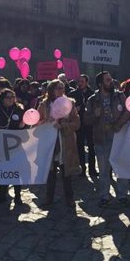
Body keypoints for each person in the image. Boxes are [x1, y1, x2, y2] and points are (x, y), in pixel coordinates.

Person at [85, 72, 130, 208]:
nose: (111, 82)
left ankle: (122, 195)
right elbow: (86, 120)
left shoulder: (119, 95)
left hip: (118, 138)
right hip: (101, 139)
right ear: (100, 83)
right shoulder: (92, 100)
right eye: (107, 80)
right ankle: (104, 196)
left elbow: (128, 111)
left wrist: (118, 124)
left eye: (111, 79)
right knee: (104, 170)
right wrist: (95, 114)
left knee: (121, 168)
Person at [39, 80, 80, 210]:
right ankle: (48, 197)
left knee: (66, 173)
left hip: (65, 143)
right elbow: (36, 122)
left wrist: (63, 126)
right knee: (50, 173)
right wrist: (44, 121)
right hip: (49, 143)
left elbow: (77, 123)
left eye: (63, 88)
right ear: (51, 90)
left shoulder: (70, 103)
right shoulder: (44, 105)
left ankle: (70, 198)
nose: (61, 90)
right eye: (58, 88)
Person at [0, 89, 27, 208]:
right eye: (8, 97)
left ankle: (17, 196)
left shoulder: (19, 110)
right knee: (4, 169)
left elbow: (27, 126)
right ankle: (2, 194)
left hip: (16, 145)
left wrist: (23, 125)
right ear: (2, 99)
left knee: (16, 171)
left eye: (12, 97)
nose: (10, 99)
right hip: (1, 145)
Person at [70, 74, 97, 179]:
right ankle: (82, 169)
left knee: (91, 147)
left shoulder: (93, 94)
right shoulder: (73, 94)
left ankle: (92, 169)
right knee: (79, 147)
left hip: (90, 124)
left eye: (82, 81)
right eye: (79, 81)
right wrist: (74, 109)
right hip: (79, 124)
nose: (80, 83)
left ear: (87, 82)